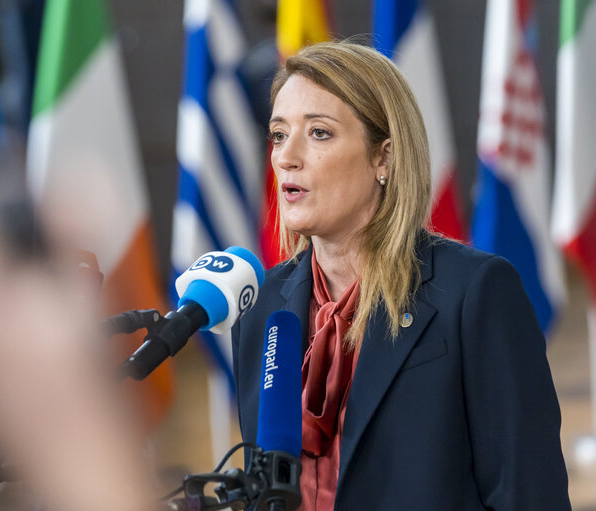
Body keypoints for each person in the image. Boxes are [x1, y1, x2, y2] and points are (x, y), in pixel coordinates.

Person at [231, 40, 571, 511]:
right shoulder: (261, 310)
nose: (287, 157)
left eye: (320, 134)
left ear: (383, 158)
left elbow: (528, 496)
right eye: (278, 135)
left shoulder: (472, 294)